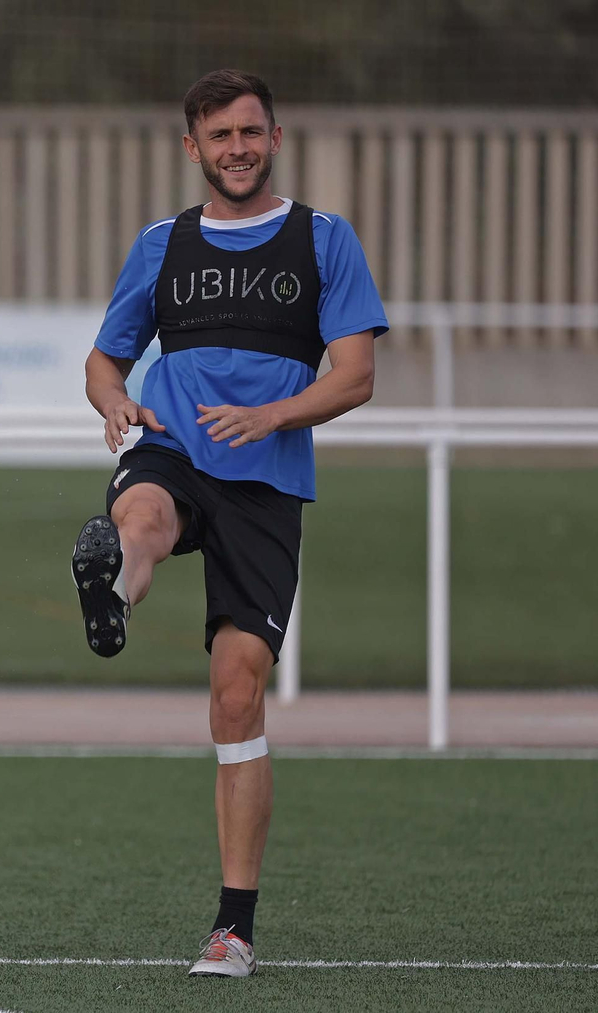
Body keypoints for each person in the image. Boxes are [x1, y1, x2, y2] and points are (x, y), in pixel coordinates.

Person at [73, 70, 385, 977]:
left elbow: (356, 372)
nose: (237, 147)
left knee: (237, 695)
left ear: (275, 139)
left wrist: (275, 417)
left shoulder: (324, 238)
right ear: (193, 148)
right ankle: (115, 592)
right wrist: (114, 402)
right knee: (141, 513)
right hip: (173, 438)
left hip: (266, 473)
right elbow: (103, 357)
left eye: (251, 131)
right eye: (220, 135)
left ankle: (232, 929)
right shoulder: (161, 243)